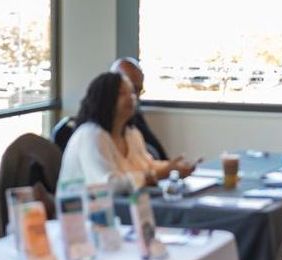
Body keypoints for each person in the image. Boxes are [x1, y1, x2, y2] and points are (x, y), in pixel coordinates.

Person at [60, 71, 196, 189]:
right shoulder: (91, 135)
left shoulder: (132, 134)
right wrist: (160, 174)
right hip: (84, 213)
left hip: (122, 207)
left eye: (132, 92)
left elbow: (146, 166)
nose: (131, 98)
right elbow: (109, 185)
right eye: (121, 93)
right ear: (103, 98)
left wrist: (174, 168)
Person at [111, 56, 168, 161]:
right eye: (131, 90)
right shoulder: (96, 134)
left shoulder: (133, 124)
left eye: (138, 91)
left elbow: (158, 152)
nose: (135, 97)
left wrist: (172, 168)